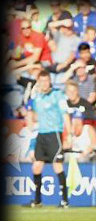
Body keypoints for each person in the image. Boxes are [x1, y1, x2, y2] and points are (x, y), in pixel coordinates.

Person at [25, 70, 71, 208]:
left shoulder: (58, 95)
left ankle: (64, 200)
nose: (45, 84)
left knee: (57, 166)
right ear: (38, 82)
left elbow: (66, 116)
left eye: (47, 81)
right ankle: (37, 200)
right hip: (41, 134)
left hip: (54, 134)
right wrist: (30, 121)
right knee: (36, 167)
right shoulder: (37, 97)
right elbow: (31, 113)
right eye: (42, 81)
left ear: (50, 81)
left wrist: (69, 135)